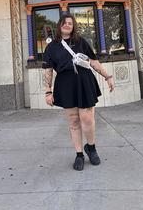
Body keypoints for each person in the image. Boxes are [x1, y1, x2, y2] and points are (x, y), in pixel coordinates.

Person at [42, 14, 115, 171]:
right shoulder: (51, 47)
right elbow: (48, 70)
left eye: (70, 23)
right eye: (64, 22)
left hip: (84, 81)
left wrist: (108, 76)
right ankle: (79, 154)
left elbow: (93, 61)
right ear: (59, 25)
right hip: (65, 84)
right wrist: (48, 91)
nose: (67, 25)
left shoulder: (81, 42)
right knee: (74, 121)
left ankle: (91, 147)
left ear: (73, 26)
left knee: (87, 119)